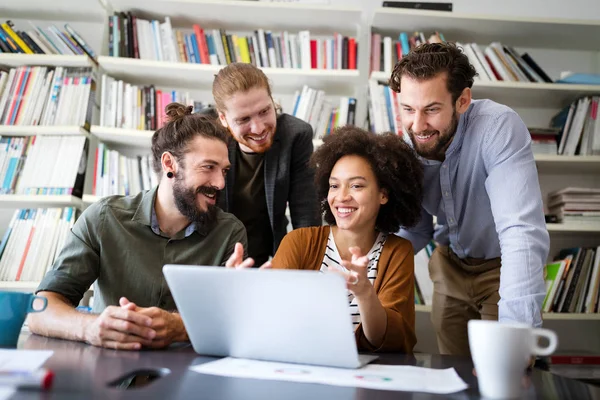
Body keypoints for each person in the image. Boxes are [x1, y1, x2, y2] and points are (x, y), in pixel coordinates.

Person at [28, 103, 259, 350]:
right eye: (208, 167)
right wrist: (90, 328)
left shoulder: (229, 233)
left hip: (188, 378)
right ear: (169, 164)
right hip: (108, 374)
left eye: (223, 171)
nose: (220, 183)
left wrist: (179, 326)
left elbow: (231, 324)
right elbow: (39, 309)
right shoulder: (105, 218)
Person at [392, 42, 550, 356]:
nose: (418, 125)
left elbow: (520, 231)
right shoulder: (408, 141)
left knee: (501, 372)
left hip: (501, 269)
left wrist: (516, 338)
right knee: (455, 376)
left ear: (463, 100)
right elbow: (416, 229)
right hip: (449, 268)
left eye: (432, 109)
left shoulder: (498, 128)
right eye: (408, 109)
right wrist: (368, 266)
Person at [269, 126, 423, 353]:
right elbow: (274, 322)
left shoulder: (397, 252)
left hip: (366, 377)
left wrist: (365, 293)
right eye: (334, 185)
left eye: (356, 185)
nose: (341, 197)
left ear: (384, 194)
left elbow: (393, 341)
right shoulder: (298, 242)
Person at [213, 62, 322, 267]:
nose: (259, 127)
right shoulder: (204, 136)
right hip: (211, 257)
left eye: (264, 111)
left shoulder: (295, 135)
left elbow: (306, 216)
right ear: (223, 118)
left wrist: (298, 270)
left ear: (273, 101)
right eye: (244, 119)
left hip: (266, 259)